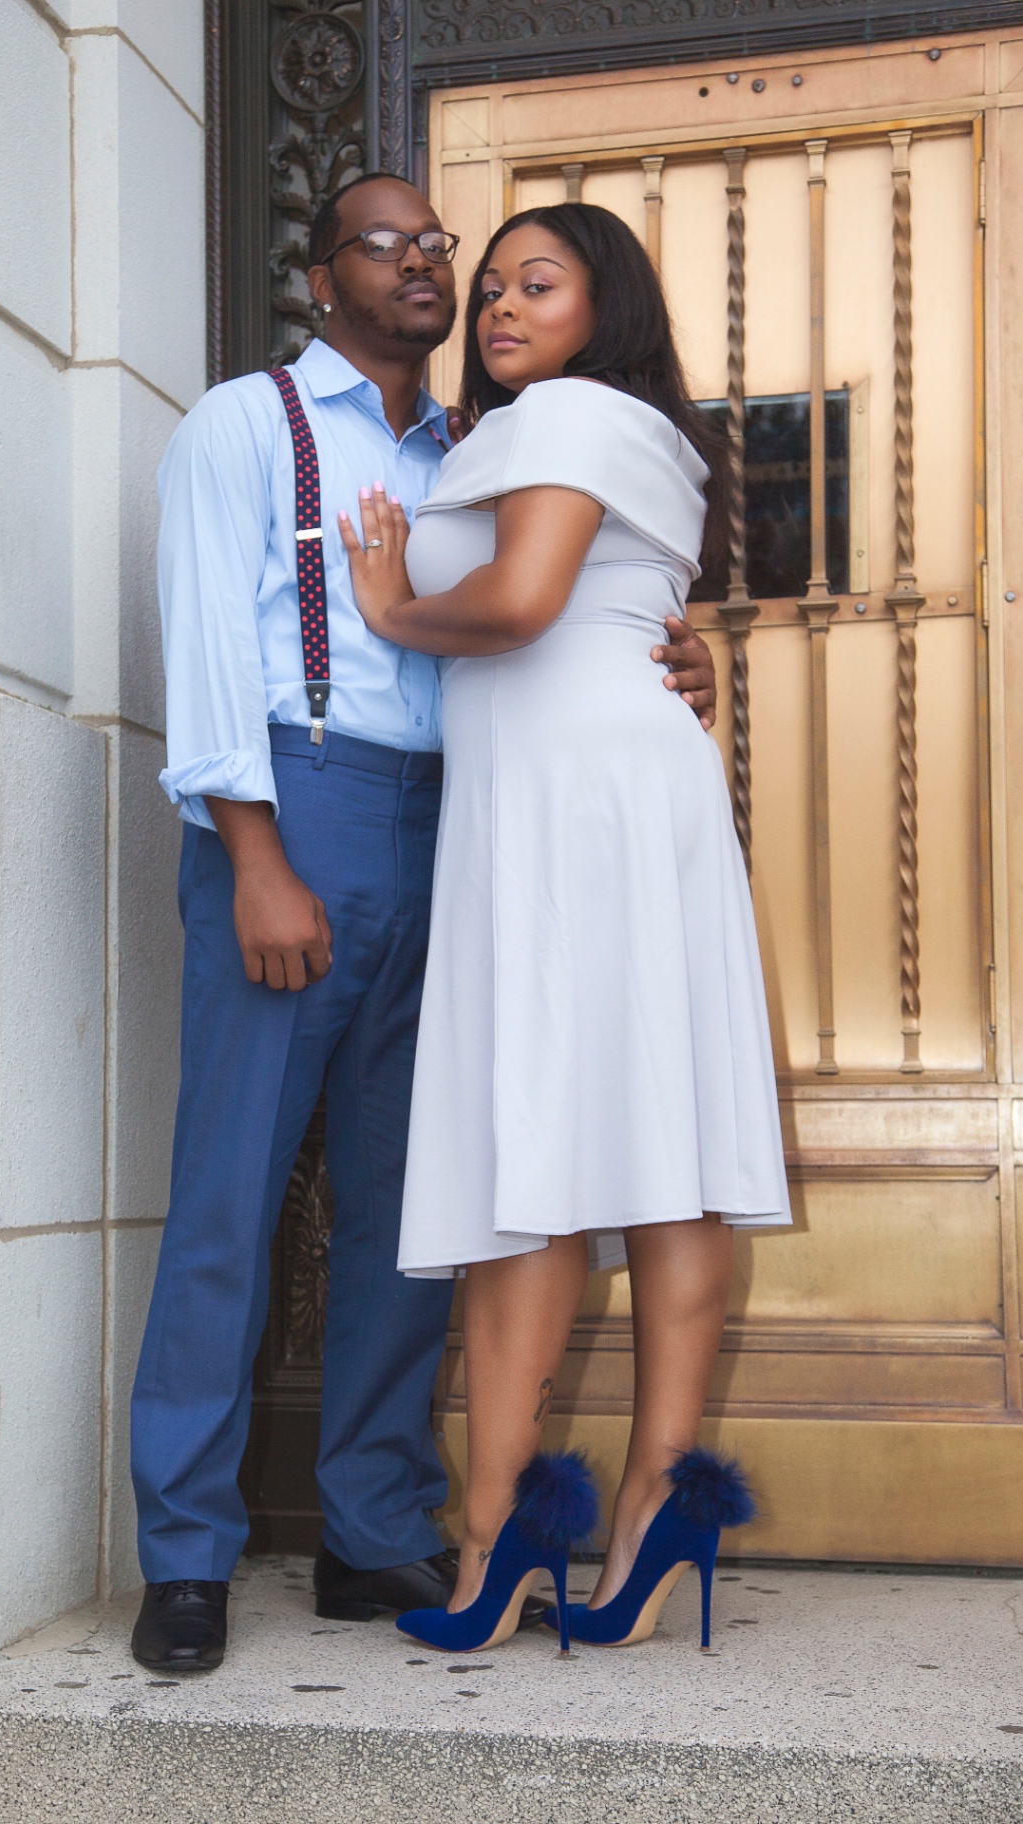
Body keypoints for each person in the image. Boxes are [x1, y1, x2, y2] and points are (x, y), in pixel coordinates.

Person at [128, 174, 720, 1672]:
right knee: (231, 1199)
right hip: (298, 804)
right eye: (386, 243)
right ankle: (187, 1553)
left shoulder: (476, 442)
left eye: (442, 247)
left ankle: (371, 1529)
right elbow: (206, 652)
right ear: (319, 277)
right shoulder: (244, 423)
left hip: (465, 824)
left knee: (419, 1204)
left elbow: (559, 603)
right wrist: (252, 852)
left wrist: (671, 652)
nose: (432, 267)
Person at [338, 202, 791, 1656]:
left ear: (611, 304)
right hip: (597, 788)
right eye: (489, 292)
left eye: (538, 283)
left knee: (536, 1149)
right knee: (659, 1145)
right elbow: (601, 597)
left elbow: (526, 601)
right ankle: (646, 1512)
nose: (498, 309)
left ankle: (497, 1538)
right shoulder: (631, 429)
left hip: (566, 800)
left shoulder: (571, 413)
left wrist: (394, 604)